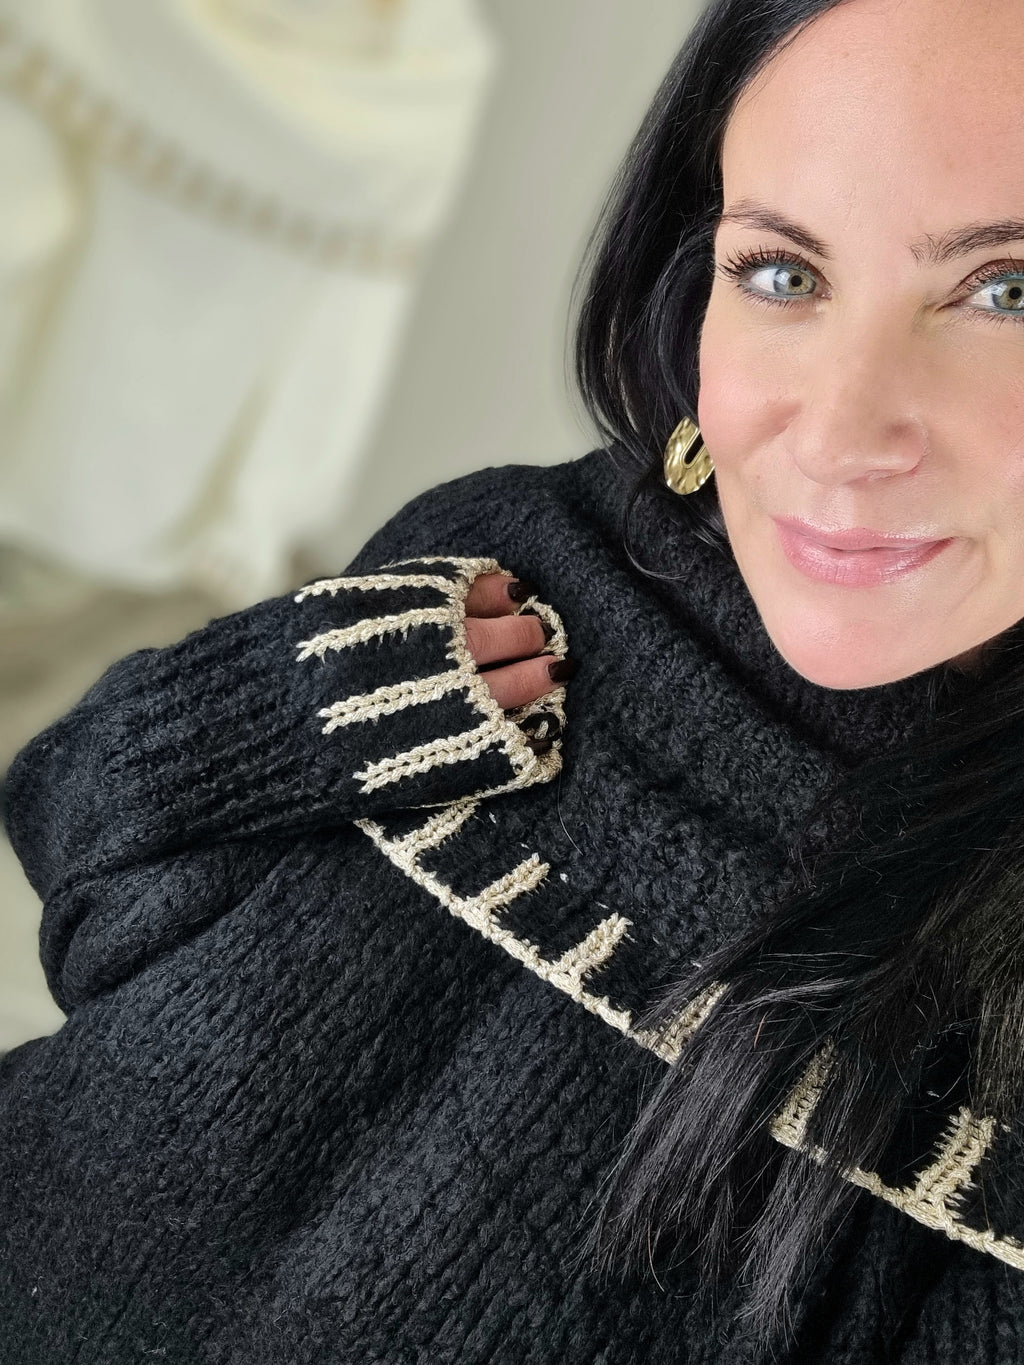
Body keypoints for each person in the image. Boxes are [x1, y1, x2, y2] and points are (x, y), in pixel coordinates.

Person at [3, 0, 1024, 1359]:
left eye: (1007, 292)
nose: (838, 431)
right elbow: (88, 884)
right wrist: (252, 723)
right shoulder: (515, 555)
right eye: (783, 272)